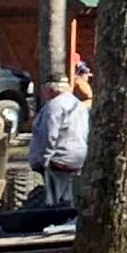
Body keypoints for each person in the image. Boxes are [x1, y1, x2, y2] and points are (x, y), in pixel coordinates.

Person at [36, 67, 92, 219]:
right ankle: (71, 211)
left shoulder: (53, 107)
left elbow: (49, 136)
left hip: (61, 157)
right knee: (71, 190)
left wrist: (44, 159)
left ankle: (57, 213)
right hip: (81, 155)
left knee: (56, 192)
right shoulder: (78, 104)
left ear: (50, 89)